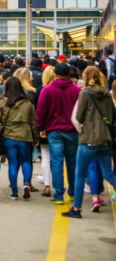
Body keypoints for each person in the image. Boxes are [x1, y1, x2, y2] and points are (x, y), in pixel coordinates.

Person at [62, 67, 116, 218]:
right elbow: (113, 116)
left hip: (88, 139)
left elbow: (79, 117)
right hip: (104, 139)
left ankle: (77, 208)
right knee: (108, 173)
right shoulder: (107, 94)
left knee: (79, 173)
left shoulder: (85, 93)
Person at [36, 62, 81, 205]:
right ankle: (73, 192)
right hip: (73, 131)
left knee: (56, 162)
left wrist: (41, 127)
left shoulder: (47, 90)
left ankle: (59, 195)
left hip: (54, 131)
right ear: (69, 74)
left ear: (55, 74)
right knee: (72, 162)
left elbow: (41, 111)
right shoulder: (77, 90)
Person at [0, 77, 39, 200]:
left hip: (9, 135)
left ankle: (14, 192)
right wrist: (35, 138)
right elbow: (33, 123)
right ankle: (26, 184)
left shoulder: (2, 102)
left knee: (13, 163)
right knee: (26, 162)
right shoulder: (28, 103)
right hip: (25, 135)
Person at [36, 66, 55, 196]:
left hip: (45, 128)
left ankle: (47, 185)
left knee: (45, 157)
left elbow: (38, 111)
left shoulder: (40, 91)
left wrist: (40, 128)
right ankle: (59, 185)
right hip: (63, 129)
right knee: (59, 159)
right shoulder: (65, 90)